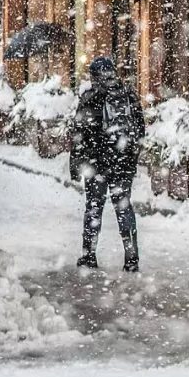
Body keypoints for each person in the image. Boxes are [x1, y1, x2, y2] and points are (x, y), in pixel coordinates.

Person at [72, 56, 145, 272]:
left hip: (97, 164)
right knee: (124, 208)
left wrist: (79, 163)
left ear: (94, 76)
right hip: (122, 163)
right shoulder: (128, 95)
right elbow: (140, 129)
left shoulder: (90, 97)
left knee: (94, 208)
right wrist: (130, 157)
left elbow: (80, 133)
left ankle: (88, 255)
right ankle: (131, 258)